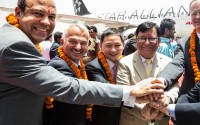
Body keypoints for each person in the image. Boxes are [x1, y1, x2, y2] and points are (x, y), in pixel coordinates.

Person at [0, 0, 165, 125]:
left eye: (51, 16)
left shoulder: (18, 40)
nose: (45, 22)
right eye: (37, 13)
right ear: (18, 12)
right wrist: (131, 91)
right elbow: (70, 88)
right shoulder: (17, 46)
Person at [117, 21, 179, 125]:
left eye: (151, 38)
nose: (146, 42)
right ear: (136, 40)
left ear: (159, 41)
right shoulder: (124, 63)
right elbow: (123, 92)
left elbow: (175, 86)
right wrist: (142, 110)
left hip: (161, 119)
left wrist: (167, 98)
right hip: (133, 120)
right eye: (142, 38)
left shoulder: (168, 62)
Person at [158, 0, 200, 95]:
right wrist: (162, 80)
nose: (197, 17)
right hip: (189, 99)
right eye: (194, 14)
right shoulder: (183, 43)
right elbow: (177, 64)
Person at [43, 24, 93, 125]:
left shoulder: (80, 64)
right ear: (62, 41)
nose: (78, 47)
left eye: (83, 43)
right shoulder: (57, 65)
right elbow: (80, 91)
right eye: (73, 41)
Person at [85, 28, 124, 125]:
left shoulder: (127, 64)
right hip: (105, 119)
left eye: (117, 45)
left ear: (123, 45)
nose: (113, 50)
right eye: (108, 45)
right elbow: (107, 90)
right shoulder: (92, 67)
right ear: (101, 46)